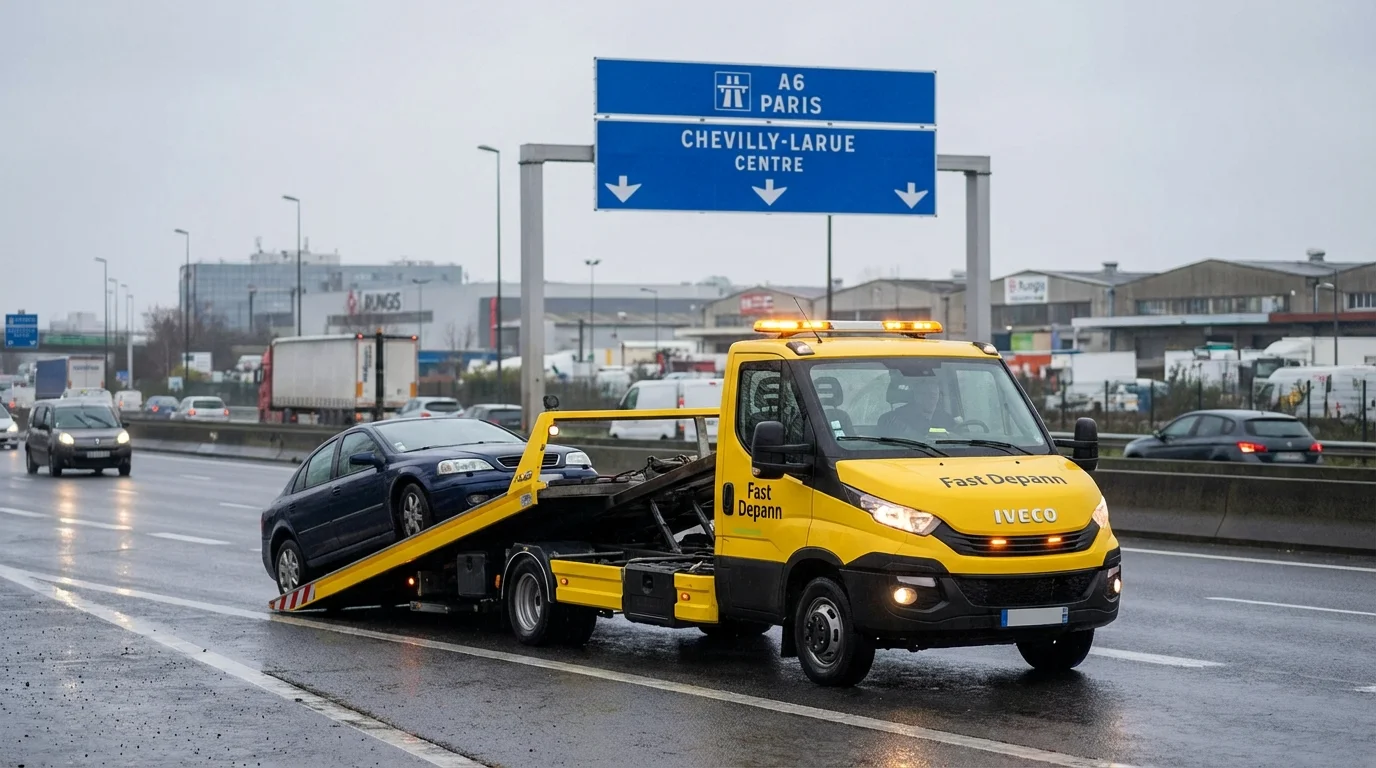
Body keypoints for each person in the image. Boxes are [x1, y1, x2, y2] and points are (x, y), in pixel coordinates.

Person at [876, 372, 955, 440]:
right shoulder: (896, 418)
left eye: (934, 395)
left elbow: (960, 440)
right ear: (916, 396)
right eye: (925, 394)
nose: (931, 399)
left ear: (938, 396)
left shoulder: (946, 419)